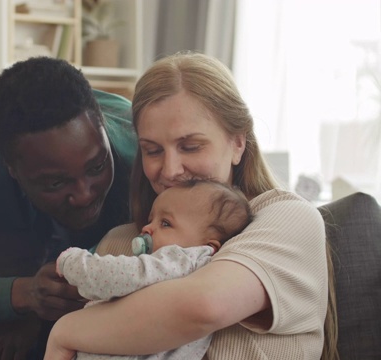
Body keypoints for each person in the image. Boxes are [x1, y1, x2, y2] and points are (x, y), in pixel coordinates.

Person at [44, 51, 338, 360]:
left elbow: (205, 306)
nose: (170, 170)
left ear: (238, 142)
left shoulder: (287, 219)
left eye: (191, 147)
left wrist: (65, 332)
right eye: (153, 150)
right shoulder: (122, 241)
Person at [0, 56, 138, 360]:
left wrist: (40, 319)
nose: (85, 194)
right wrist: (26, 296)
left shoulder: (141, 143)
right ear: (11, 168)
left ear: (102, 126)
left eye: (97, 166)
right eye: (55, 183)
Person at [56, 179, 253, 360]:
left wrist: (73, 262)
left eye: (165, 223)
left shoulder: (184, 258)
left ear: (208, 246)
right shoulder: (185, 272)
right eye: (151, 219)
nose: (147, 228)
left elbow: (118, 276)